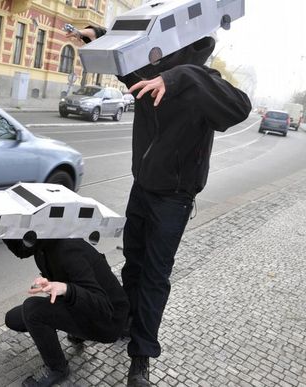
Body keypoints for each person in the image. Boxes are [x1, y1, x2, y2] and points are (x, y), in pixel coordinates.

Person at [68, 27, 251, 386]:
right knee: (133, 265)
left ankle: (141, 356)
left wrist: (180, 77)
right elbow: (123, 64)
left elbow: (241, 107)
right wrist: (100, 37)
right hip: (142, 189)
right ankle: (124, 322)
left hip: (175, 199)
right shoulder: (149, 75)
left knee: (154, 274)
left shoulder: (203, 84)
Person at [0, 237, 129, 387]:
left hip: (108, 321)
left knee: (32, 309)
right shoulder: (43, 239)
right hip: (78, 304)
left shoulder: (69, 249)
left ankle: (57, 368)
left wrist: (66, 289)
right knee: (14, 319)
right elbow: (22, 250)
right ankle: (76, 332)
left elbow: (103, 308)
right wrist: (0, 229)